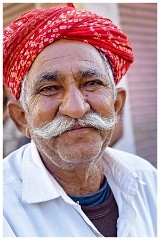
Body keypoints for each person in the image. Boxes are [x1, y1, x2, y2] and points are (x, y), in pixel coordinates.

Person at [3, 3, 157, 237]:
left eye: (92, 83)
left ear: (117, 106)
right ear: (22, 118)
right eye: (49, 88)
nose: (76, 108)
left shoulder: (149, 180)